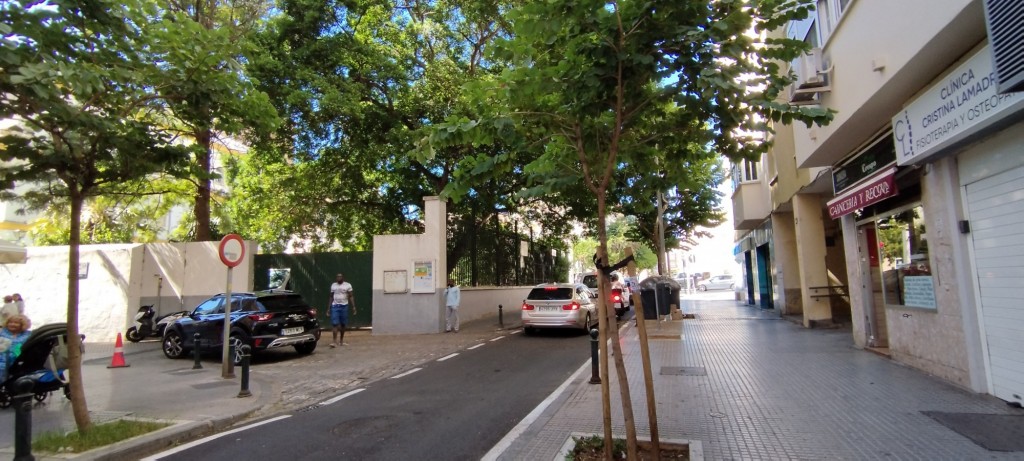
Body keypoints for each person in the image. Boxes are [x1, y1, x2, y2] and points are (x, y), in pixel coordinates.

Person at [328, 273, 356, 348]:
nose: (338, 278)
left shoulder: (347, 285)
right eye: (337, 277)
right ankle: (334, 341)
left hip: (344, 306)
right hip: (335, 306)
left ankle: (341, 340)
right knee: (335, 324)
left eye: (340, 276)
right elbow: (331, 297)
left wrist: (353, 307)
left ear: (343, 278)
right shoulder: (333, 285)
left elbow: (351, 296)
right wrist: (329, 308)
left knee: (343, 324)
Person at [0, 314, 31, 380]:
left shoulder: (28, 335)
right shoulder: (1, 332)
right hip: (2, 358)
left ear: (22, 324)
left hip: (18, 360)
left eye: (16, 323)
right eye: (10, 322)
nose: (12, 324)